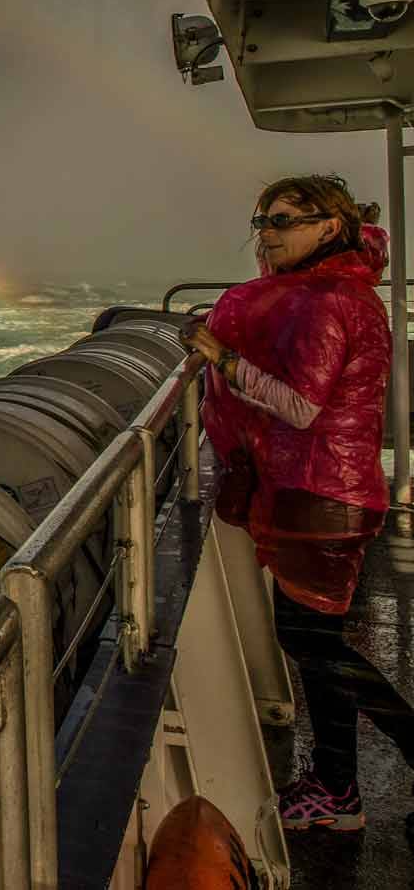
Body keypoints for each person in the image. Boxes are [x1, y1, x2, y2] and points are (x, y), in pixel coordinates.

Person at [184, 174, 414, 832]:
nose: (270, 233)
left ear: (329, 228)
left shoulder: (324, 301)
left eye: (286, 220)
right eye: (263, 221)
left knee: (316, 643)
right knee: (316, 641)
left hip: (320, 496)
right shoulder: (340, 292)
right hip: (325, 491)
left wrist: (219, 358)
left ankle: (342, 788)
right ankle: (337, 786)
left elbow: (300, 404)